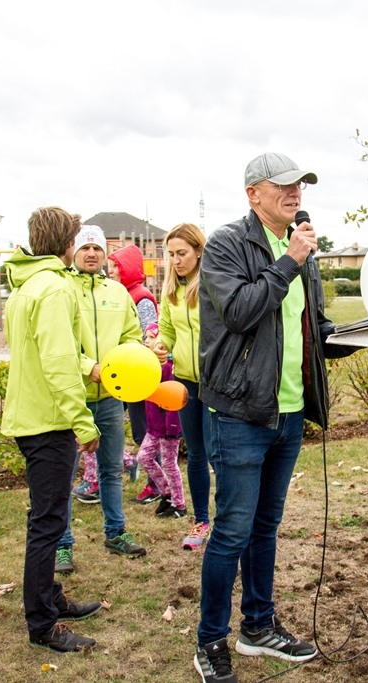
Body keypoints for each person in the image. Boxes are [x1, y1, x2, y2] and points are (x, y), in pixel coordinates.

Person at [193, 152, 358, 683]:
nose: (295, 193)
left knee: (266, 526)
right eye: (283, 185)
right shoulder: (226, 244)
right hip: (242, 412)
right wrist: (288, 259)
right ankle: (210, 641)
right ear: (252, 194)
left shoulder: (302, 249)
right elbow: (240, 311)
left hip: (288, 412)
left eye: (300, 185)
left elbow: (312, 325)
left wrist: (360, 336)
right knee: (232, 531)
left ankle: (258, 628)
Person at [1, 207, 105, 653]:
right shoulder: (54, 288)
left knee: (48, 517)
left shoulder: (26, 285)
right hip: (48, 421)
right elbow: (59, 363)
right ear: (67, 244)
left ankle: (51, 599)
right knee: (47, 524)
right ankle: (42, 624)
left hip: (32, 417)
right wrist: (83, 422)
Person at [55, 225, 148, 577]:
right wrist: (87, 366)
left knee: (111, 469)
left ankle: (116, 533)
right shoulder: (62, 290)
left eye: (97, 248)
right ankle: (62, 545)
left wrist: (125, 363)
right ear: (73, 252)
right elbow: (59, 343)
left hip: (110, 396)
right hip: (72, 396)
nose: (91, 253)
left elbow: (131, 336)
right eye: (84, 248)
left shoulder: (118, 293)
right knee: (64, 475)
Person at [153, 222, 212, 550]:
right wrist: (161, 344)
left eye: (182, 253)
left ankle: (234, 519)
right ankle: (201, 521)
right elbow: (167, 330)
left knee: (221, 455)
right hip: (186, 384)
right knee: (198, 454)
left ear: (199, 251)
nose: (176, 260)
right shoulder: (171, 290)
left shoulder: (213, 283)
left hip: (218, 384)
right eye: (171, 254)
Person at [108, 243, 161, 498]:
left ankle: (157, 482)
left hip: (138, 374)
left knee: (144, 430)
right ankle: (128, 465)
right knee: (111, 426)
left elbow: (149, 334)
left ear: (126, 269)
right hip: (123, 372)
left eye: (114, 268)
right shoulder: (120, 294)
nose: (110, 273)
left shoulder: (141, 297)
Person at [138, 323, 186, 518]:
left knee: (169, 464)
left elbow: (173, 398)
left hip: (168, 428)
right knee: (143, 457)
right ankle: (166, 492)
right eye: (146, 337)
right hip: (154, 426)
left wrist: (173, 427)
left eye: (151, 337)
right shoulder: (150, 365)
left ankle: (179, 504)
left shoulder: (168, 368)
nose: (146, 340)